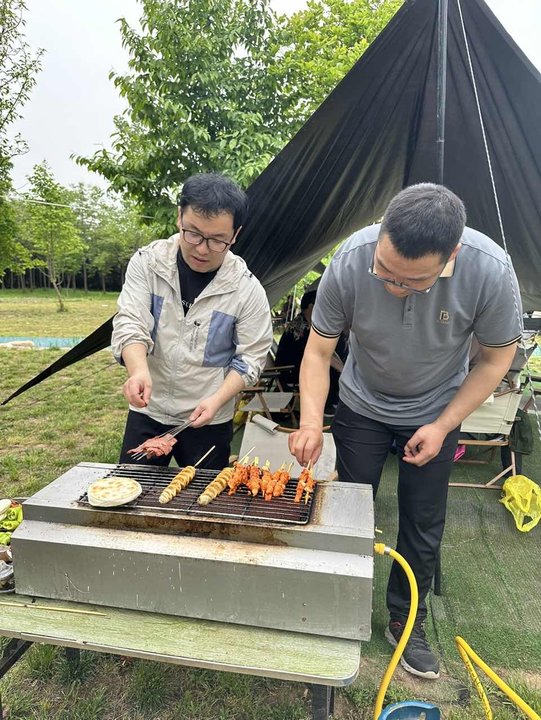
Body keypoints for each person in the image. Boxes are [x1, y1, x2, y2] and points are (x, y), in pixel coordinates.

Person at [289, 183, 522, 680]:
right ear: (381, 234)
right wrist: (311, 422)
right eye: (386, 271)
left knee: (422, 520)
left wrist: (443, 425)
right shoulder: (351, 260)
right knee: (348, 508)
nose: (394, 286)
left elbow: (495, 360)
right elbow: (318, 351)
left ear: (451, 255)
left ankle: (406, 619)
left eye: (412, 282)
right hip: (362, 405)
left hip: (437, 408)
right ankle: (336, 603)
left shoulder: (490, 270)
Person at [112, 173, 273, 469]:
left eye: (217, 240)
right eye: (193, 233)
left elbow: (251, 358)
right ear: (179, 217)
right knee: (131, 489)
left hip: (209, 417)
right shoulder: (148, 263)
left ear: (235, 234)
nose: (201, 249)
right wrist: (138, 371)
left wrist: (218, 399)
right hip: (149, 409)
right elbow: (131, 323)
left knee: (206, 494)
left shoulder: (247, 290)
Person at [274, 290, 347, 414]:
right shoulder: (300, 326)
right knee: (327, 368)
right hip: (289, 371)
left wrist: (341, 365)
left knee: (332, 365)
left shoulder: (307, 324)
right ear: (311, 306)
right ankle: (328, 404)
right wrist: (342, 369)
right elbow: (320, 353)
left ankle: (333, 402)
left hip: (298, 366)